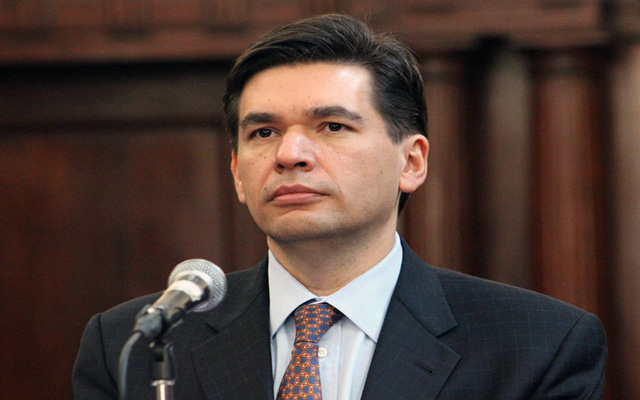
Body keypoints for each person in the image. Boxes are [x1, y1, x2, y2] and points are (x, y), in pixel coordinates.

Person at [73, 14, 607, 400]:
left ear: (411, 162)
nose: (289, 154)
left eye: (331, 126)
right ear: (236, 172)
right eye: (263, 132)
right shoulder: (132, 343)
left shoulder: (539, 345)